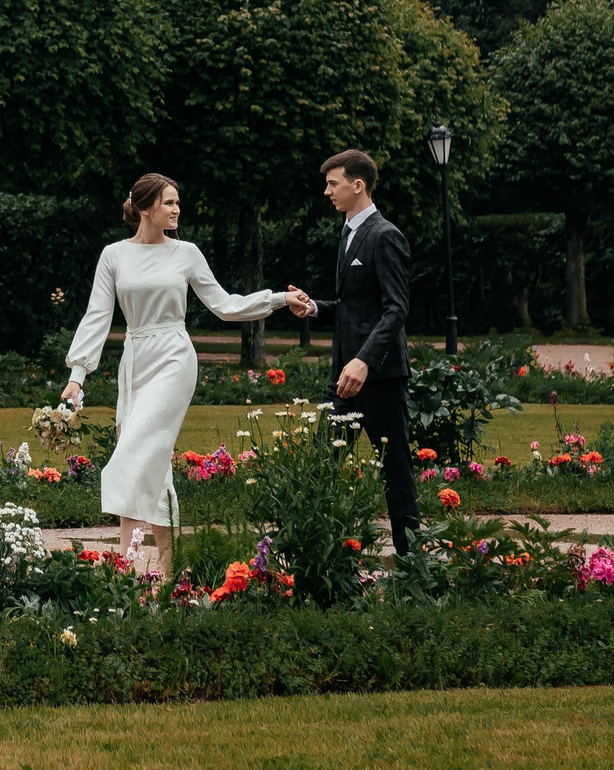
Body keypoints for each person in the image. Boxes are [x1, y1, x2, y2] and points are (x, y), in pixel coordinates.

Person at [61, 173, 317, 573]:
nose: (177, 209)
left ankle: (132, 562)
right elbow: (97, 317)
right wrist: (78, 374)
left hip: (174, 358)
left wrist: (280, 298)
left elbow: (225, 305)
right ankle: (157, 566)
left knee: (132, 452)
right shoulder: (113, 255)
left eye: (178, 202)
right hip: (135, 359)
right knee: (150, 457)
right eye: (168, 203)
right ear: (145, 207)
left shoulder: (187, 253)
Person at [322, 148, 418, 554]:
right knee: (321, 465)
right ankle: (320, 559)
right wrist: (314, 307)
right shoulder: (347, 233)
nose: (327, 191)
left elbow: (396, 309)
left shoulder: (385, 235)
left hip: (378, 376)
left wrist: (363, 360)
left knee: (395, 471)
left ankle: (413, 563)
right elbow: (353, 306)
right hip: (342, 377)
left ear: (357, 185)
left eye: (333, 183)